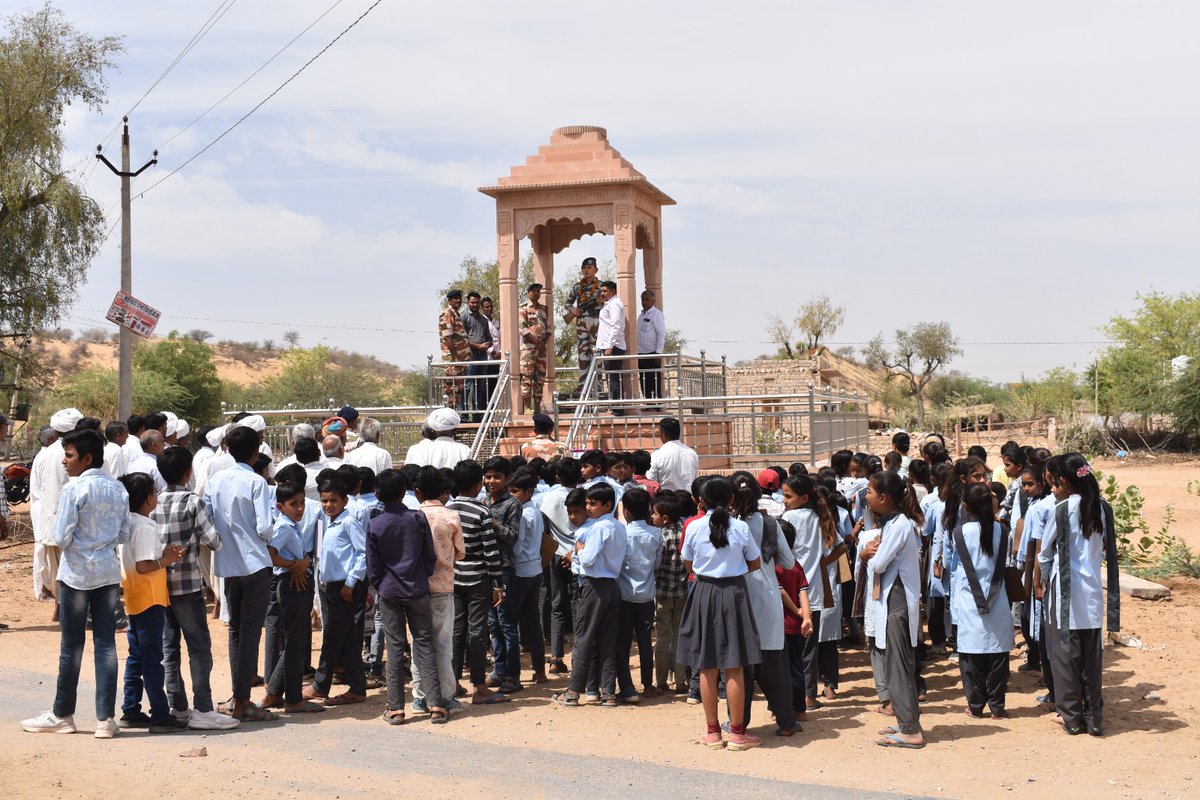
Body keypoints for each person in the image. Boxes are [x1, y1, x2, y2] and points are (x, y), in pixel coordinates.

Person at [22, 429, 130, 738]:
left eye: (69, 456)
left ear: (87, 458)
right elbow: (123, 534)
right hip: (108, 574)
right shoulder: (118, 489)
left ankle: (63, 714)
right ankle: (105, 720)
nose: (64, 461)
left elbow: (60, 536)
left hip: (76, 575)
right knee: (106, 644)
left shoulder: (74, 489)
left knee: (72, 645)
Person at [152, 447, 240, 730]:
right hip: (188, 585)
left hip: (158, 585)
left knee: (169, 648)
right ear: (188, 472)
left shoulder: (153, 502)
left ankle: (177, 706)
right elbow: (214, 541)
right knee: (199, 647)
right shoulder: (192, 502)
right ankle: (202, 707)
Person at [677, 476, 762, 751]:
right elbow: (755, 562)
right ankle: (738, 733)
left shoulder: (694, 527)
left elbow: (688, 563)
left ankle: (712, 732)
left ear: (700, 501)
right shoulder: (740, 527)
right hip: (734, 593)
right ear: (731, 499)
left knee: (707, 664)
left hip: (703, 592)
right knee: (735, 664)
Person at [1038, 454, 1114, 737]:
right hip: (1092, 590)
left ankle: (1071, 717)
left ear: (1065, 482)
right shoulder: (1102, 508)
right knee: (1091, 658)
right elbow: (1104, 548)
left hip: (1065, 591)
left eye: (1054, 484)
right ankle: (1094, 718)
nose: (1053, 490)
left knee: (1065, 656)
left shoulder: (1063, 509)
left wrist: (1043, 581)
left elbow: (1045, 553)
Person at [203, 425, 276, 722]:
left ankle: (238, 696)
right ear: (256, 451)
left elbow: (207, 516)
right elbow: (264, 527)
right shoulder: (256, 482)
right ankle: (243, 699)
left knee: (235, 630)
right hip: (255, 563)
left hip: (228, 563)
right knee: (250, 632)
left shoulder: (216, 479)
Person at [367, 469, 445, 725]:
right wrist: (421, 575)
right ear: (405, 492)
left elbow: (373, 566)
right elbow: (429, 555)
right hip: (416, 589)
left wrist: (382, 585)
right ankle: (435, 704)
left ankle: (396, 708)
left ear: (377, 494)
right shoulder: (416, 518)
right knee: (424, 643)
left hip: (390, 591)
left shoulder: (376, 524)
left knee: (395, 646)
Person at [114, 472, 188, 733]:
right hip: (149, 598)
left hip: (136, 596)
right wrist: (166, 561)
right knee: (152, 657)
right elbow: (145, 565)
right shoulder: (144, 526)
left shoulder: (127, 523)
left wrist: (165, 557)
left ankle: (131, 709)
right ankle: (159, 713)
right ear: (148, 499)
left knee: (137, 656)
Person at [861, 470, 926, 749]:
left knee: (898, 664)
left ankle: (911, 730)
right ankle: (904, 722)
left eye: (870, 492)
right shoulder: (892, 523)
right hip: (892, 600)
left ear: (884, 497)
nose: (867, 497)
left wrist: (866, 556)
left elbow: (878, 564)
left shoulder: (899, 525)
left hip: (897, 601)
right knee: (893, 662)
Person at [552, 483, 627, 708]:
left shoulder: (598, 528)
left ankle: (574, 691)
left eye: (593, 504)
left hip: (594, 586)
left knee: (584, 639)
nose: (589, 508)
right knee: (606, 640)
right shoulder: (619, 527)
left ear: (607, 505)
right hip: (611, 585)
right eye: (587, 503)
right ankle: (608, 692)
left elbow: (588, 559)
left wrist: (578, 551)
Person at [949, 483, 1014, 718]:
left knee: (972, 657)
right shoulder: (1003, 531)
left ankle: (975, 707)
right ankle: (998, 707)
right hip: (998, 599)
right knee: (998, 656)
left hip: (969, 600)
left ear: (966, 506)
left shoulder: (959, 533)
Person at [258, 480, 323, 715]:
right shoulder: (284, 527)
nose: (300, 509)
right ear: (280, 506)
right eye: (293, 504)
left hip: (296, 582)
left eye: (302, 503)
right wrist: (294, 566)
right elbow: (270, 554)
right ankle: (293, 699)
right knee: (294, 644)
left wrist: (302, 562)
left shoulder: (291, 525)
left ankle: (274, 693)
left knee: (295, 642)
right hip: (291, 583)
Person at [446, 459, 507, 705]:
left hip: (453, 577)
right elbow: (491, 552)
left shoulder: (448, 509)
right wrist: (498, 584)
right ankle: (480, 687)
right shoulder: (482, 511)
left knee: (456, 631)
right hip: (478, 579)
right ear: (478, 484)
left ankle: (453, 683)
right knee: (478, 633)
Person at [305, 475, 369, 706]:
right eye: (324, 501)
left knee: (332, 636)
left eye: (333, 500)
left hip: (345, 588)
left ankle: (321, 685)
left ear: (344, 501)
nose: (328, 505)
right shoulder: (329, 522)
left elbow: (362, 554)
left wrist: (350, 583)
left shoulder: (349, 522)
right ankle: (357, 687)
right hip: (331, 586)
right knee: (346, 638)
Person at [781, 473, 839, 713]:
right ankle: (808, 694)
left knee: (791, 647)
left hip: (791, 587)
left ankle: (794, 695)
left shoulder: (788, 517)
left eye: (788, 496)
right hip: (812, 591)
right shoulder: (820, 518)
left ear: (803, 498)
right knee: (809, 647)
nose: (784, 500)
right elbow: (829, 552)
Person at [412, 466, 466, 716]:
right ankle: (445, 696)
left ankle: (420, 696)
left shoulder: (413, 515)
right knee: (443, 644)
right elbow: (460, 552)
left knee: (419, 644)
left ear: (417, 492)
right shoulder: (450, 516)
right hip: (443, 586)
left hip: (416, 588)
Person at [615, 487, 661, 702]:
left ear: (626, 512)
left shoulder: (623, 534)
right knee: (644, 641)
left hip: (624, 596)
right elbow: (658, 563)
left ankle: (626, 685)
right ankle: (648, 685)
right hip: (646, 595)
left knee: (623, 642)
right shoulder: (656, 534)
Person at [482, 456, 522, 693]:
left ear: (507, 479)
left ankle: (513, 675)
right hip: (486, 568)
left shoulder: (512, 504)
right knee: (492, 623)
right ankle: (499, 670)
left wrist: (493, 522)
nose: (491, 481)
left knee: (507, 623)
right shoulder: (484, 500)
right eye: (488, 477)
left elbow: (512, 537)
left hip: (504, 567)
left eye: (496, 477)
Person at [506, 468, 548, 684]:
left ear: (529, 492)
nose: (512, 495)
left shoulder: (522, 514)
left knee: (511, 622)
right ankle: (539, 671)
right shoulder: (536, 511)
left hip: (521, 571)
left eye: (515, 491)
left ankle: (511, 673)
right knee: (533, 623)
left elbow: (517, 546)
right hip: (535, 569)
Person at [651, 493, 688, 694]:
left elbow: (656, 566)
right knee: (680, 637)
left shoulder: (659, 536)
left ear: (664, 518)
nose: (652, 517)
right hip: (682, 593)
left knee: (663, 639)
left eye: (654, 514)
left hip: (663, 594)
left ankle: (661, 680)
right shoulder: (685, 532)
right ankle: (681, 681)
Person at [562, 256, 603, 396]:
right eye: (584, 268)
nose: (587, 270)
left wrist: (598, 301)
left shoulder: (601, 285)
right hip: (581, 323)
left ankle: (598, 386)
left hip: (596, 322)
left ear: (596, 270)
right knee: (582, 354)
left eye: (589, 267)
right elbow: (567, 303)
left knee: (596, 353)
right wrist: (572, 310)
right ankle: (582, 385)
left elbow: (606, 300)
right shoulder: (577, 287)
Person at [518, 282, 551, 414]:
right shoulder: (523, 308)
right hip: (528, 349)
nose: (537, 293)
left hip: (541, 349)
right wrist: (538, 343)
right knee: (527, 377)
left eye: (538, 291)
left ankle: (537, 406)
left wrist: (543, 342)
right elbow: (523, 329)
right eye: (534, 291)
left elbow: (548, 329)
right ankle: (525, 407)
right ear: (528, 293)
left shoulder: (544, 309)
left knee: (540, 378)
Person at [404, 408, 471, 469]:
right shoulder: (464, 450)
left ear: (433, 430)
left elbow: (410, 474)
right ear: (454, 431)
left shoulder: (416, 449)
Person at [461, 291, 494, 415]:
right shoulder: (463, 317)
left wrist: (486, 345)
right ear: (468, 303)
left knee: (479, 386)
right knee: (467, 385)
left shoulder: (483, 319)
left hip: (482, 355)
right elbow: (462, 339)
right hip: (470, 355)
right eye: (472, 302)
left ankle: (477, 415)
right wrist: (478, 346)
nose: (475, 305)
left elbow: (489, 338)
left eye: (476, 303)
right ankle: (463, 415)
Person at [595, 280, 627, 407]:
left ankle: (617, 408)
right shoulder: (608, 304)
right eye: (601, 291)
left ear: (613, 291)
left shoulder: (614, 304)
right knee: (610, 378)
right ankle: (614, 406)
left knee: (614, 379)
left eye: (605, 291)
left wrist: (610, 346)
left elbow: (616, 325)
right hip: (607, 345)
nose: (602, 293)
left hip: (613, 346)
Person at [647, 417, 699, 492]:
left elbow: (651, 481)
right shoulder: (692, 453)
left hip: (667, 501)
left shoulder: (657, 455)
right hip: (688, 501)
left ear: (663, 435)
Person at [439, 289, 471, 408]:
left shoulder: (456, 314)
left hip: (460, 361)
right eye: (455, 298)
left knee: (458, 389)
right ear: (449, 300)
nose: (458, 300)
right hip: (453, 360)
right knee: (450, 389)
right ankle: (447, 417)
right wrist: (456, 357)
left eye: (459, 298)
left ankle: (454, 415)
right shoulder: (447, 313)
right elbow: (448, 337)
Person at [636, 289, 666, 401]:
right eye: (643, 300)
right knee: (644, 380)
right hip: (640, 353)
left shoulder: (656, 314)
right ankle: (648, 404)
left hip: (652, 353)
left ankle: (656, 405)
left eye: (647, 299)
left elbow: (661, 333)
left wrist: (658, 353)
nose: (644, 302)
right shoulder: (641, 315)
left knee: (653, 379)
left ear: (653, 301)